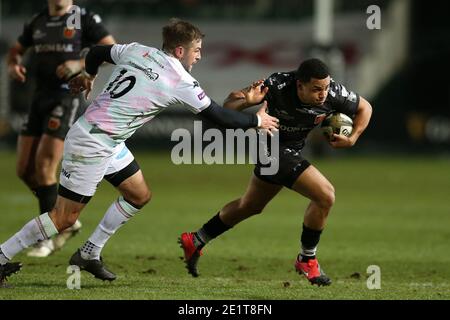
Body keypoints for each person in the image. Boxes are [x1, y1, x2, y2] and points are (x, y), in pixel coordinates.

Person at [0, 18, 279, 284]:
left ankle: (89, 253)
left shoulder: (136, 50)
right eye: (197, 51)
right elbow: (219, 117)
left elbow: (97, 52)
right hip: (93, 143)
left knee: (138, 195)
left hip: (109, 141)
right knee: (63, 218)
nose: (199, 57)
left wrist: (89, 74)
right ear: (180, 50)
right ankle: (1, 257)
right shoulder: (179, 78)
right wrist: (257, 120)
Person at [179, 58, 373, 286]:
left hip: (290, 150)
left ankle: (197, 239)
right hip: (268, 147)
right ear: (300, 85)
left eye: (326, 87)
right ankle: (307, 258)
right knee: (325, 195)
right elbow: (227, 107)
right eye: (316, 89)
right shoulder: (276, 86)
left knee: (250, 206)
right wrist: (246, 102)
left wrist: (353, 138)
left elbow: (365, 107)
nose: (323, 94)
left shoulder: (333, 93)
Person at [6, 0, 116, 257]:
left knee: (45, 167)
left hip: (66, 96)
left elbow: (111, 48)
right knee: (24, 170)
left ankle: (46, 236)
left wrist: (80, 66)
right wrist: (13, 64)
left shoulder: (83, 18)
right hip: (39, 98)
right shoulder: (37, 21)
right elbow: (16, 49)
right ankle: (66, 220)